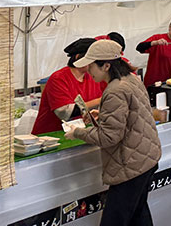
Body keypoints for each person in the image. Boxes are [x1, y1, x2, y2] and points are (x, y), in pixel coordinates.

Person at [67, 40, 161, 226]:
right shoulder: (131, 79)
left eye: (91, 65)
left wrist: (77, 132)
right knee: (138, 215)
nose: (88, 70)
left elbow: (109, 137)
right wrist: (104, 114)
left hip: (130, 166)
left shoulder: (115, 90)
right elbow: (131, 115)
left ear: (106, 66)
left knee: (115, 220)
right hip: (146, 159)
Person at [32, 38, 104, 135]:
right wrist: (101, 100)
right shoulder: (58, 78)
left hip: (78, 132)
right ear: (78, 57)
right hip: (50, 135)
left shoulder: (92, 77)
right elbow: (66, 112)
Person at [136, 16, 171, 86]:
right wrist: (155, 43)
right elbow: (139, 48)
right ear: (170, 27)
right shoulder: (157, 38)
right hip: (154, 82)